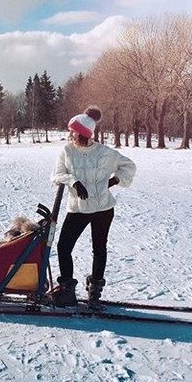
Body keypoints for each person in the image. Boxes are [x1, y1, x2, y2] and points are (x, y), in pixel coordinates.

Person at [50, 106, 136, 307]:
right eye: (71, 131)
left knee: (99, 248)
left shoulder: (105, 153)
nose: (71, 135)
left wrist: (115, 181)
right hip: (78, 208)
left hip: (103, 209)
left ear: (84, 134)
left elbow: (129, 166)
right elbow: (56, 174)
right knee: (64, 247)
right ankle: (67, 291)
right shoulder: (67, 150)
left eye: (74, 131)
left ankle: (94, 293)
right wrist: (73, 181)